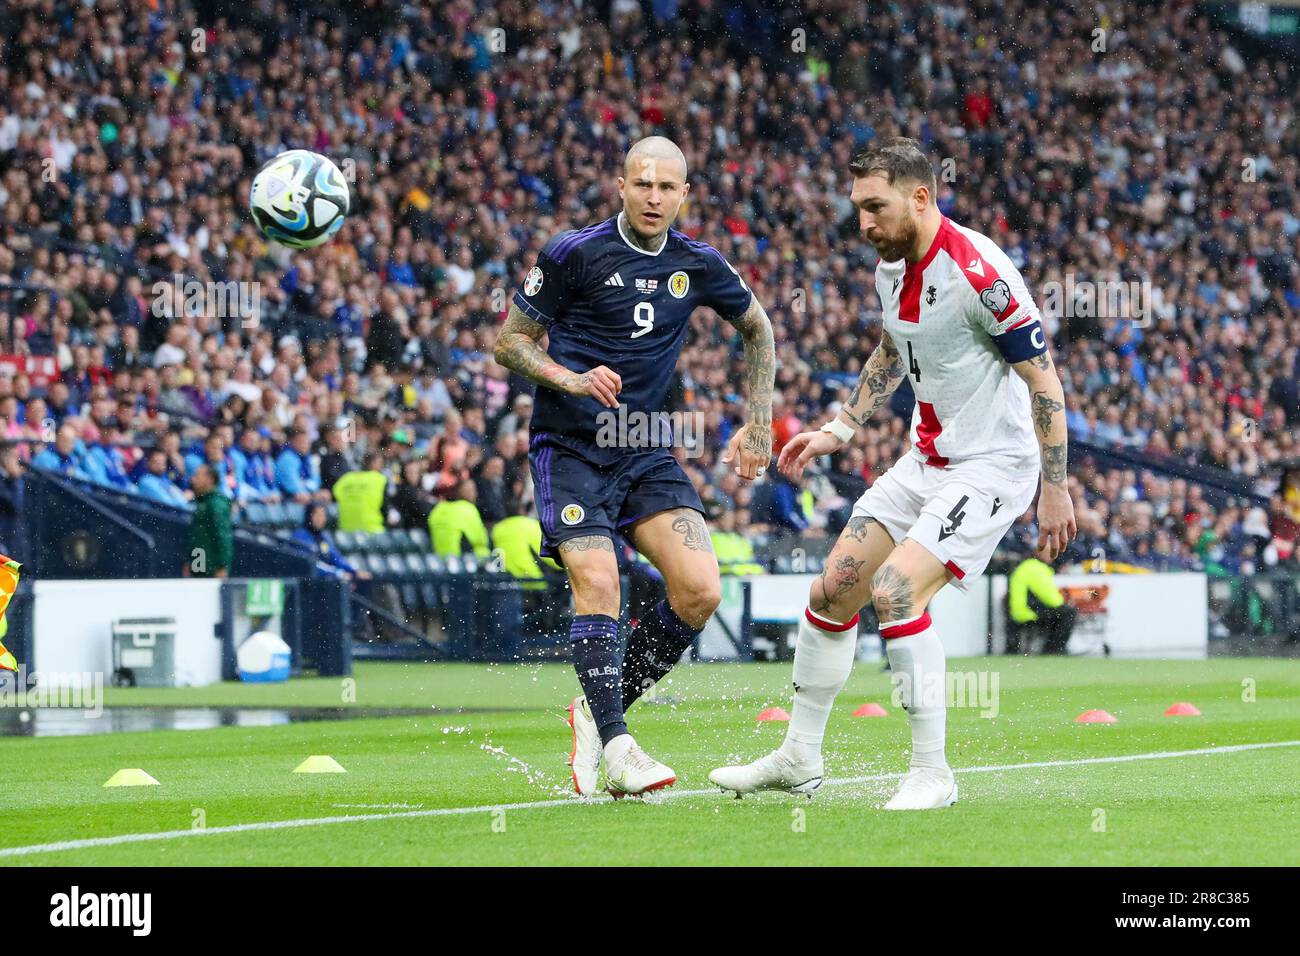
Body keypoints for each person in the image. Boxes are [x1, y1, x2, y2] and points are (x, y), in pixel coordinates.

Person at [710, 138, 1076, 810]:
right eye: (858, 209)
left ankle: (932, 772)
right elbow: (890, 348)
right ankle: (799, 757)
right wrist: (840, 430)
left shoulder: (978, 275)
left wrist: (1056, 486)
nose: (864, 224)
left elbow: (1043, 379)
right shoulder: (891, 267)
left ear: (920, 197)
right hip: (926, 460)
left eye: (875, 207)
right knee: (832, 591)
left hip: (994, 464)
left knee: (896, 591)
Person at [493, 135, 775, 797]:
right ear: (621, 186)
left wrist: (757, 419)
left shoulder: (698, 263)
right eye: (641, 184)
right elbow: (509, 344)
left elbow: (758, 328)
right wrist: (570, 377)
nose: (653, 196)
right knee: (598, 577)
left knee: (701, 589)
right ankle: (619, 746)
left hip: (645, 450)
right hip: (569, 452)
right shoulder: (572, 253)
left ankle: (598, 709)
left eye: (665, 186)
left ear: (683, 194)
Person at [1006, 557, 1077, 654]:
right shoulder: (1037, 568)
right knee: (1068, 612)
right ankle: (1054, 649)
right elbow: (1051, 599)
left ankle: (1051, 647)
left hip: (1017, 612)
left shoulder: (1025, 566)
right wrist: (1064, 603)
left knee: (1058, 613)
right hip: (1028, 612)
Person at [185, 464, 233, 578]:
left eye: (198, 476)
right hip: (199, 564)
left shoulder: (216, 503)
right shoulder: (202, 501)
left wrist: (222, 566)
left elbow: (223, 536)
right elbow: (197, 537)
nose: (193, 479)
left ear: (210, 479)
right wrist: (192, 563)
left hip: (212, 568)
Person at [292, 502, 362, 579]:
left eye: (323, 515)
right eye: (317, 515)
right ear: (309, 516)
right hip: (309, 581)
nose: (320, 519)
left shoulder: (323, 536)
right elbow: (312, 564)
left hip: (327, 580)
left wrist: (354, 571)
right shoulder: (300, 536)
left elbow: (335, 557)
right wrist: (338, 574)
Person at [427, 478, 490, 558]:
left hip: (439, 559)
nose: (475, 493)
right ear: (460, 491)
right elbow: (481, 539)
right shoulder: (468, 508)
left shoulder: (439, 508)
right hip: (464, 559)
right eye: (470, 490)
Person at [332, 452, 388, 533]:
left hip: (345, 531)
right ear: (372, 463)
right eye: (380, 463)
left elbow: (335, 494)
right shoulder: (380, 479)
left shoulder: (347, 477)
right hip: (372, 530)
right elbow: (385, 507)